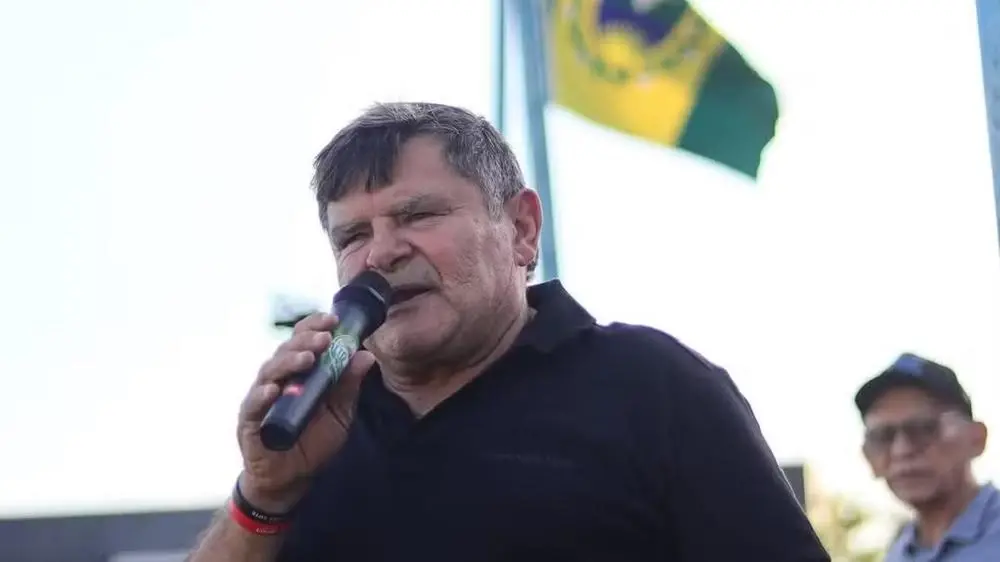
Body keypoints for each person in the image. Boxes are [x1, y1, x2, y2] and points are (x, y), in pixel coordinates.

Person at [188, 102, 829, 561]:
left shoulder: (652, 384)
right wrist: (263, 497)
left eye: (419, 214)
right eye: (352, 235)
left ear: (522, 230)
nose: (380, 254)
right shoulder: (308, 431)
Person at [856, 353, 999, 561]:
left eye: (923, 429)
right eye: (882, 436)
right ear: (869, 459)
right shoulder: (897, 553)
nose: (901, 450)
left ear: (976, 438)